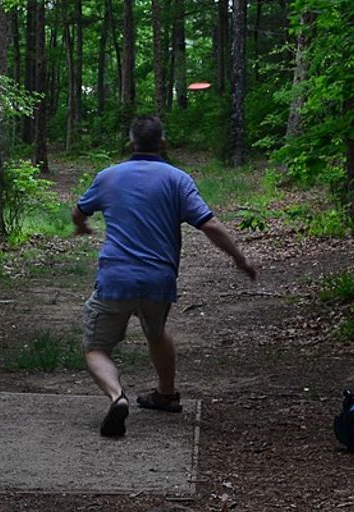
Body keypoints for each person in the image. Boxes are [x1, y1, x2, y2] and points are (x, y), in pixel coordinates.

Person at [72, 115, 257, 437]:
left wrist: (81, 226)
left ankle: (117, 398)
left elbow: (80, 210)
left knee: (96, 347)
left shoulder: (109, 176)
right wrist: (239, 259)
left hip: (116, 277)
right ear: (164, 143)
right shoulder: (177, 179)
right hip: (159, 279)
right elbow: (209, 224)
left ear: (131, 143)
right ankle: (166, 394)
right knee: (156, 331)